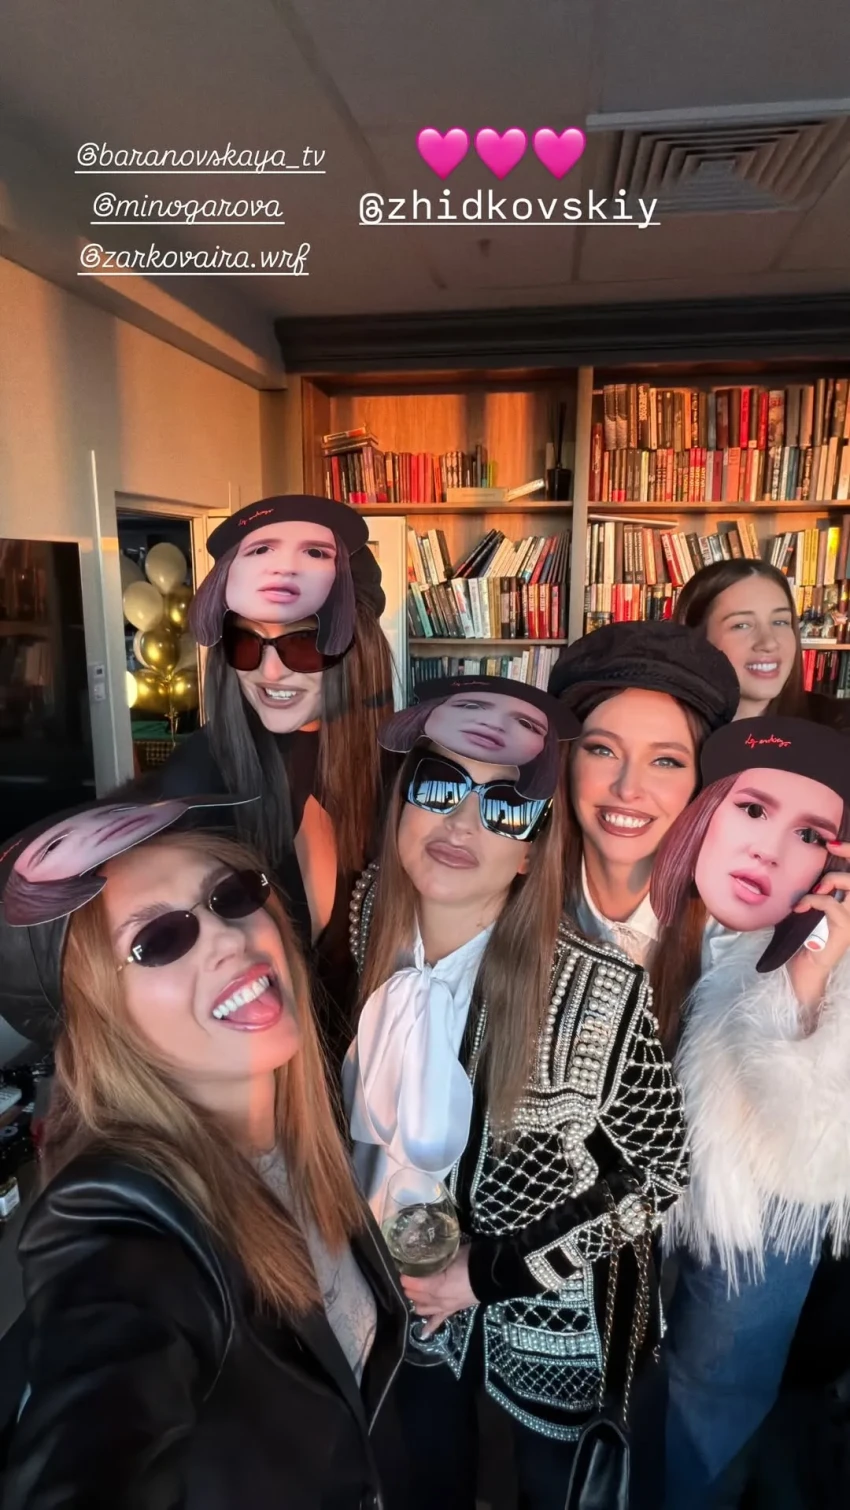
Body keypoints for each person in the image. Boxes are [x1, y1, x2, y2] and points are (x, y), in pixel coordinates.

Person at [0, 800, 407, 1510]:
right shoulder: (114, 1219)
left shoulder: (297, 1139)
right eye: (159, 939)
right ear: (103, 1021)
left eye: (231, 896)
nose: (224, 936)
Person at [344, 675, 689, 1510]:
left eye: (504, 807)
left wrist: (489, 1274)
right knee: (424, 1475)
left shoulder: (598, 991)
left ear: (533, 848)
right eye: (440, 787)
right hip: (399, 1288)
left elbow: (660, 1173)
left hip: (550, 1322)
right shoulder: (366, 918)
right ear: (401, 805)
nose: (462, 823)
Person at [646, 716, 850, 1507]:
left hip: (755, 1225)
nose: (768, 849)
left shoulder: (830, 956)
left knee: (714, 1405)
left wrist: (805, 984)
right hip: (624, 1226)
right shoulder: (647, 910)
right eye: (754, 810)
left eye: (810, 833)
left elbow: (811, 1151)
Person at [126, 494, 395, 1070]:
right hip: (263, 1079)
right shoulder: (198, 783)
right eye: (246, 642)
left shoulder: (398, 768)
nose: (270, 671)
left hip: (377, 1078)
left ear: (358, 649)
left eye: (302, 643)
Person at [548, 621, 739, 1046]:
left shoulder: (733, 943)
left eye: (666, 761)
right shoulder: (511, 902)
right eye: (603, 750)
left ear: (700, 783)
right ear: (566, 762)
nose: (628, 788)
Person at [673, 557, 850, 728]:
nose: (769, 643)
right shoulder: (667, 732)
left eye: (780, 622)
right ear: (696, 639)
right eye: (741, 625)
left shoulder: (838, 726)